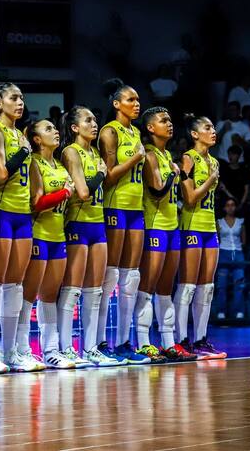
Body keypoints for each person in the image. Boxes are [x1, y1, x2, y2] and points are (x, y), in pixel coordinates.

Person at [0, 83, 43, 373]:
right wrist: (22, 154)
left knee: (15, 286)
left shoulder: (20, 134)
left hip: (22, 214)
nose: (20, 103)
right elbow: (1, 174)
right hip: (0, 211)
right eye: (13, 98)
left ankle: (11, 352)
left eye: (22, 98)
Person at [59, 107, 119, 367]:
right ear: (74, 127)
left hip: (97, 224)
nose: (94, 124)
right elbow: (82, 192)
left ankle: (91, 348)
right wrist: (102, 174)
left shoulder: (94, 152)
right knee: (72, 290)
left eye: (95, 119)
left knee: (94, 291)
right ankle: (66, 348)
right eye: (88, 120)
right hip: (78, 223)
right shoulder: (71, 151)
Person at [97, 78, 149, 364]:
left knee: (131, 277)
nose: (136, 104)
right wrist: (134, 160)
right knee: (111, 276)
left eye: (138, 100)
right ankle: (103, 341)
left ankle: (125, 341)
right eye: (130, 99)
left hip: (136, 209)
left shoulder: (136, 131)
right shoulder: (109, 131)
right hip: (115, 206)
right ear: (116, 104)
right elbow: (109, 175)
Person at [135, 107, 190, 362]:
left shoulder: (167, 154)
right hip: (154, 225)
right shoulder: (149, 154)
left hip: (172, 225)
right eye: (163, 121)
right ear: (149, 127)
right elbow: (157, 191)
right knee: (148, 285)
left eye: (169, 120)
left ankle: (169, 341)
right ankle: (144, 341)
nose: (169, 124)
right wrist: (174, 173)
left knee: (167, 287)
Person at [23, 119, 75, 368]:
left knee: (50, 296)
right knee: (28, 294)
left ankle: (51, 349)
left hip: (58, 234)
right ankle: (21, 348)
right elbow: (37, 202)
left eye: (54, 128)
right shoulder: (33, 162)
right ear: (36, 139)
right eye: (48, 129)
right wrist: (64, 193)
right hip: (39, 233)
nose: (55, 131)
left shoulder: (61, 166)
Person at [176, 114, 226, 360]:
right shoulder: (188, 158)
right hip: (191, 225)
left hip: (209, 227)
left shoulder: (214, 161)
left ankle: (201, 339)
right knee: (187, 286)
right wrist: (210, 181)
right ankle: (181, 340)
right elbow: (190, 198)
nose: (213, 130)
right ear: (195, 134)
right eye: (207, 127)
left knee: (207, 288)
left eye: (213, 126)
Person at [216, 198, 246, 320]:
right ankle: (221, 311)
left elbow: (244, 240)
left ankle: (239, 311)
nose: (230, 207)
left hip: (238, 253)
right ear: (224, 208)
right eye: (227, 205)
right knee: (222, 285)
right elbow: (217, 239)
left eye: (233, 205)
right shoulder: (219, 222)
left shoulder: (240, 221)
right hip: (223, 252)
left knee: (239, 284)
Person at [218, 145, 250, 210]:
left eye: (233, 154)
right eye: (229, 154)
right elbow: (221, 187)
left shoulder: (244, 171)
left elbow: (246, 190)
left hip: (240, 202)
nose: (230, 156)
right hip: (226, 202)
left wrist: (241, 203)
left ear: (238, 156)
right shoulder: (224, 170)